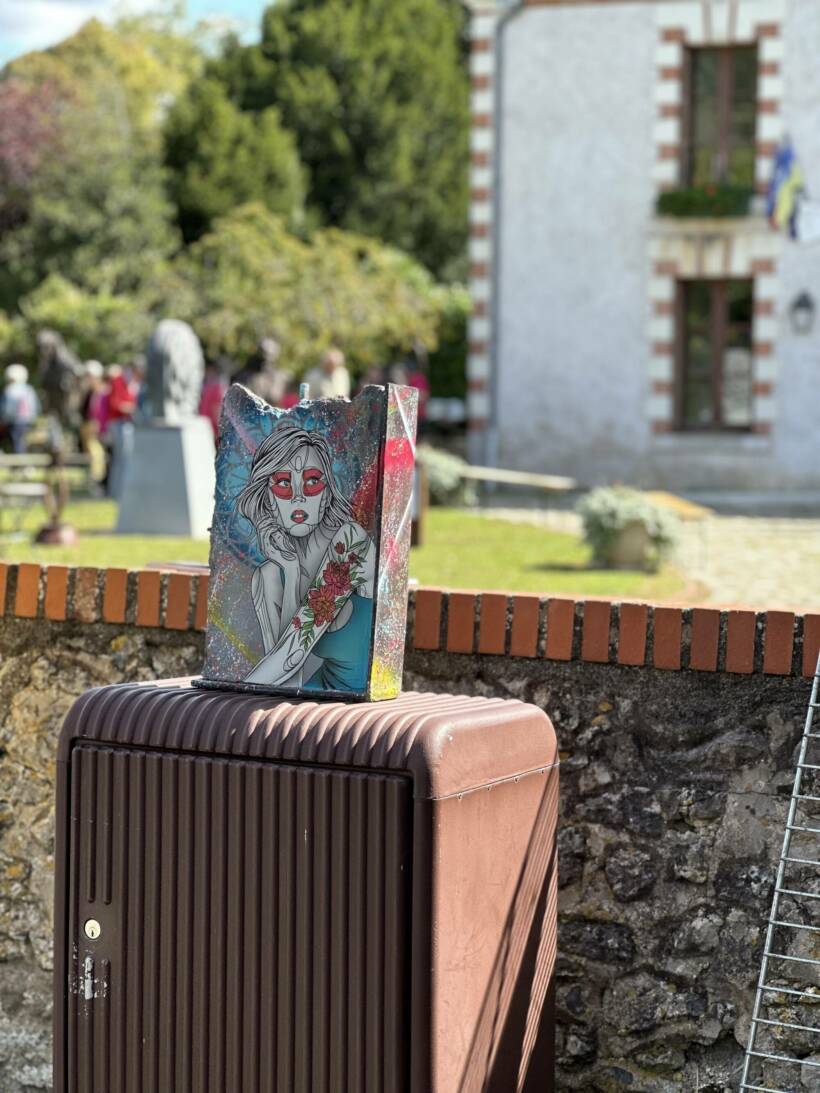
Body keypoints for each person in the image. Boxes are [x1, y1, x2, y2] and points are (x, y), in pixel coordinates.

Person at [237, 419, 376, 691]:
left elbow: (290, 656)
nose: (298, 497)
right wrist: (291, 573)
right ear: (268, 498)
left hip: (352, 708)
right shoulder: (270, 577)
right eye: (284, 483)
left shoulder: (350, 543)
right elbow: (286, 681)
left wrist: (223, 702)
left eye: (312, 481)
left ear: (327, 493)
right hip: (307, 705)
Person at [233, 337, 290, 407]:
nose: (265, 361)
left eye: (269, 356)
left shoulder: (278, 378)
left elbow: (275, 397)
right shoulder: (245, 375)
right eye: (263, 355)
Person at [0, 364, 40, 453]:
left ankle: (20, 457)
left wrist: (3, 420)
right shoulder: (29, 389)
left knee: (16, 440)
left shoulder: (9, 390)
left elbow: (6, 409)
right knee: (20, 440)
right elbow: (36, 406)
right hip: (28, 420)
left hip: (14, 421)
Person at [199, 360, 229, 441]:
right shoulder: (209, 386)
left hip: (211, 429)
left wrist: (219, 429)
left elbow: (216, 409)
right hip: (206, 426)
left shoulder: (216, 387)